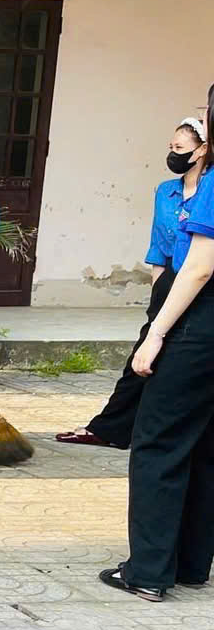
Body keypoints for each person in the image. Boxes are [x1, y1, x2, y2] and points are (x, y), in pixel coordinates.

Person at [102, 91, 214, 602]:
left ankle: (147, 570)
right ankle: (191, 563)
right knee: (205, 446)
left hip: (198, 324)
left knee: (158, 443)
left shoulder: (212, 184)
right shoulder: (178, 188)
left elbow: (198, 266)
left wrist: (155, 333)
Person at [58, 116, 207, 449]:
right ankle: (110, 428)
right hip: (170, 279)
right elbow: (158, 245)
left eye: (180, 148)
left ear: (202, 151)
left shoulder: (210, 191)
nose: (173, 154)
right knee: (143, 354)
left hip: (200, 284)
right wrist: (157, 296)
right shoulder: (166, 191)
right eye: (171, 147)